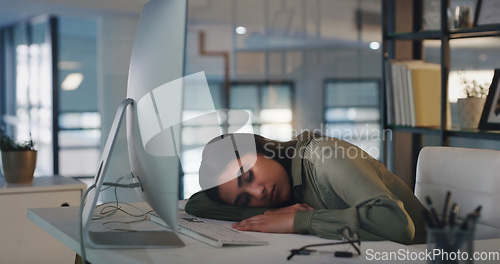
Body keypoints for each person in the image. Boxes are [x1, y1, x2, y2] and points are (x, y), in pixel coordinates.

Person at [185, 131, 427, 244]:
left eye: (248, 176)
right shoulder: (287, 189)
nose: (258, 193)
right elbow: (197, 204)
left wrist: (298, 221)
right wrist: (268, 216)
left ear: (261, 148)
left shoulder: (324, 159)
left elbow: (397, 224)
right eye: (244, 200)